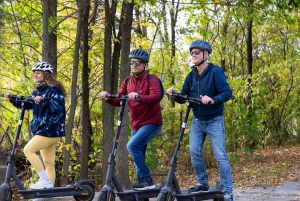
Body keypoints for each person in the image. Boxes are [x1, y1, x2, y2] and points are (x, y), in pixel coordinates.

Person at [166, 40, 234, 201]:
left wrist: (213, 99)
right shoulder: (191, 75)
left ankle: (227, 189)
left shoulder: (215, 72)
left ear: (206, 54)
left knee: (220, 156)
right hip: (197, 120)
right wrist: (173, 95)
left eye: (197, 52)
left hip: (214, 120)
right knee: (194, 152)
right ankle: (203, 183)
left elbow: (227, 93)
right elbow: (184, 97)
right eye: (192, 53)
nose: (193, 55)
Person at [99, 48, 162, 190]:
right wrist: (108, 97)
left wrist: (139, 97)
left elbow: (156, 97)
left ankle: (147, 179)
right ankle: (144, 185)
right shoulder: (128, 81)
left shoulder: (152, 79)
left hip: (152, 122)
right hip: (137, 124)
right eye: (132, 63)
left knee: (131, 146)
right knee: (138, 154)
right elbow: (120, 100)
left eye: (137, 63)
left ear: (144, 64)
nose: (134, 65)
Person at [4, 61, 66, 194]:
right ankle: (47, 194)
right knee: (49, 163)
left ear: (46, 74)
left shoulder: (55, 89)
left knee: (28, 150)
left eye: (38, 73)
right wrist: (12, 99)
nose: (35, 75)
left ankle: (44, 180)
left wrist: (44, 100)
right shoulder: (38, 90)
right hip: (43, 129)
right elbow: (27, 104)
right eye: (34, 73)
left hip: (51, 129)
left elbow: (59, 107)